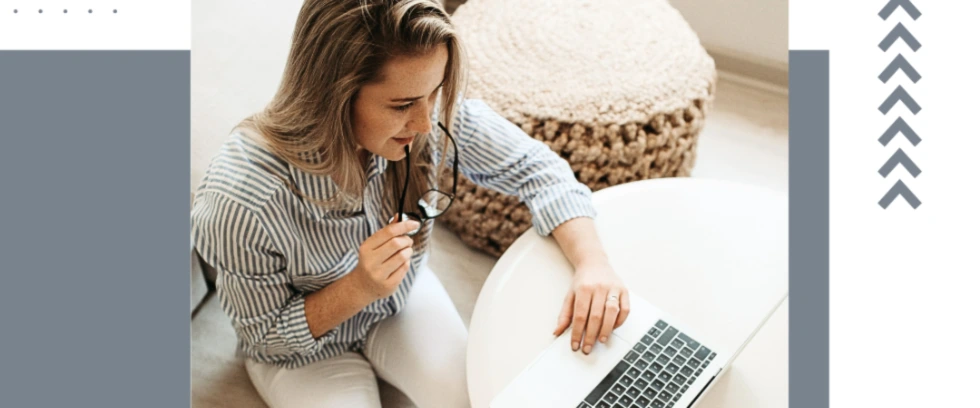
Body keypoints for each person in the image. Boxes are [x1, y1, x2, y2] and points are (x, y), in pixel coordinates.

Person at [190, 0, 631, 406]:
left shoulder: (426, 113)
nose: (424, 123)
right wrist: (358, 287)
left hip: (402, 301)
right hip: (301, 355)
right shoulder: (239, 200)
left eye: (434, 93)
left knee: (477, 396)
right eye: (402, 105)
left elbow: (537, 169)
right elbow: (264, 336)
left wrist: (593, 262)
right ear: (334, 95)